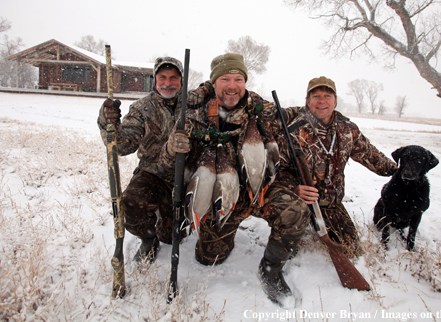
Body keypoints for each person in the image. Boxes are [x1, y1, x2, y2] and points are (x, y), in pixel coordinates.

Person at [161, 53, 310, 306]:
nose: (232, 85)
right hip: (221, 195)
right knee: (210, 258)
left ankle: (271, 269)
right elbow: (168, 167)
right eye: (224, 79)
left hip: (259, 191)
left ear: (245, 81)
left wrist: (320, 103)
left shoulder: (260, 108)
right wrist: (170, 148)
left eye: (238, 78)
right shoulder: (193, 113)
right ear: (214, 83)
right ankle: (219, 230)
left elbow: (294, 120)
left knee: (295, 209)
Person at [277, 76, 397, 257]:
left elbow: (371, 156)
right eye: (315, 96)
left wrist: (399, 170)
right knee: (288, 246)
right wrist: (294, 188)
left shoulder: (347, 129)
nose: (321, 101)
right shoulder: (294, 130)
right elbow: (275, 170)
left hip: (330, 202)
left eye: (327, 95)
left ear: (335, 101)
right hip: (300, 200)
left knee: (351, 248)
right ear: (308, 101)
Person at [98, 56, 185, 263]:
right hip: (152, 173)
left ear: (182, 80)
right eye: (162, 77)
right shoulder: (141, 108)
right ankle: (148, 238)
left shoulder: (193, 104)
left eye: (174, 77)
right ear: (154, 79)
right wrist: (107, 122)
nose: (167, 83)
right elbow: (122, 145)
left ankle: (170, 221)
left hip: (186, 175)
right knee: (131, 203)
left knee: (172, 236)